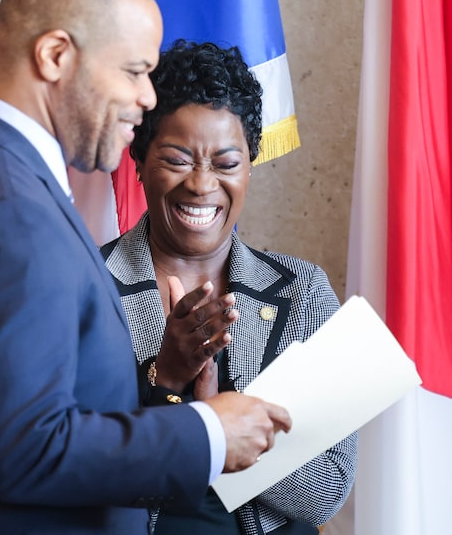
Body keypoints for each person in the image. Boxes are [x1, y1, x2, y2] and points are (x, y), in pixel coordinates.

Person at [0, 0, 293, 533]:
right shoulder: (9, 209)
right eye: (134, 72)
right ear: (55, 55)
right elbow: (27, 450)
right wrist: (207, 433)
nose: (149, 98)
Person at [100, 40, 358, 534]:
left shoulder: (303, 293)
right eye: (177, 158)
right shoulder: (85, 285)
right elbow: (70, 470)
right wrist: (167, 385)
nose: (201, 184)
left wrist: (218, 420)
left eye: (225, 162)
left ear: (248, 167)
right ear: (139, 158)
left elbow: (327, 488)